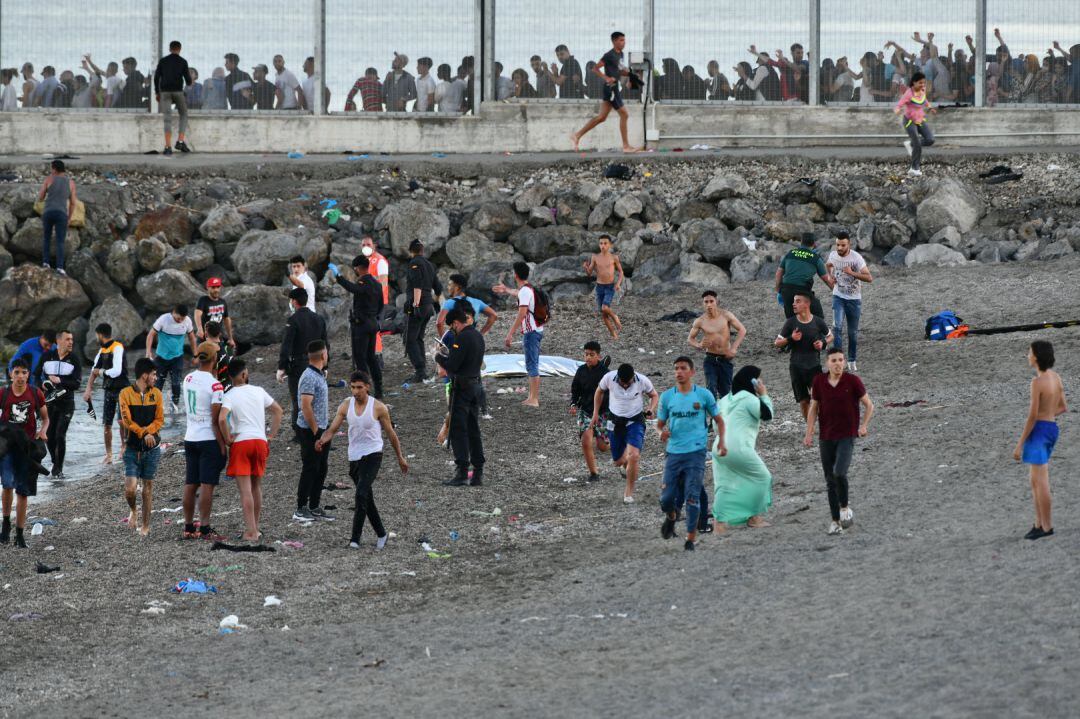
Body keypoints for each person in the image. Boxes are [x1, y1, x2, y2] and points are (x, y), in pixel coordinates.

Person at [318, 370, 408, 548]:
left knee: (360, 494)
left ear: (367, 387)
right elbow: (333, 429)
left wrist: (400, 457)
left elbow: (391, 433)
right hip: (354, 456)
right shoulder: (345, 405)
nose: (355, 391)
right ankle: (381, 534)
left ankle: (354, 539)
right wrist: (322, 440)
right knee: (366, 498)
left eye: (359, 387)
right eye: (352, 387)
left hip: (374, 454)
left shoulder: (379, 407)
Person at [657, 357, 725, 551]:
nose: (679, 372)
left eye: (683, 368)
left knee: (692, 496)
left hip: (696, 452)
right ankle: (671, 516)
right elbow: (659, 424)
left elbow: (719, 420)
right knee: (666, 500)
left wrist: (722, 442)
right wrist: (661, 432)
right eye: (676, 368)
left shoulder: (703, 395)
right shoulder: (667, 397)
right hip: (673, 453)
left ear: (692, 372)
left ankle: (690, 538)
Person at [803, 349, 874, 535]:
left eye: (841, 360)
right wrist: (809, 431)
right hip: (826, 436)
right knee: (829, 480)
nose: (838, 364)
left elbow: (869, 405)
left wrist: (864, 426)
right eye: (834, 360)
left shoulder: (853, 381)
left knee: (839, 473)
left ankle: (844, 507)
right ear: (827, 363)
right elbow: (814, 408)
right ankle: (835, 521)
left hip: (847, 435)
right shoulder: (818, 381)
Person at [219, 359, 283, 542]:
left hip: (242, 442)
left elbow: (222, 419)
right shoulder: (258, 391)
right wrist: (271, 435)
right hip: (260, 441)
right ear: (244, 374)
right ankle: (256, 527)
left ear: (231, 377)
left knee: (245, 490)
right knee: (256, 486)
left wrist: (227, 438)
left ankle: (251, 532)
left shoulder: (229, 395)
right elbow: (278, 411)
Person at [1014, 341, 1067, 540]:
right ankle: (1039, 523)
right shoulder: (1056, 377)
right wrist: (1048, 415)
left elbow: (1032, 416)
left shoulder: (1037, 383)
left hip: (1039, 431)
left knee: (1041, 482)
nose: (1028, 355)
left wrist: (1020, 444)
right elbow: (1063, 407)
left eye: (1029, 352)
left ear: (1036, 357)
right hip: (1052, 429)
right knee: (1035, 480)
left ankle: (1046, 526)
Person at [712, 366, 774, 530]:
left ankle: (719, 522)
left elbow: (714, 425)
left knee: (723, 484)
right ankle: (754, 517)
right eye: (758, 379)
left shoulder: (724, 399)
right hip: (737, 447)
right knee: (763, 478)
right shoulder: (749, 398)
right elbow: (767, 415)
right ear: (752, 381)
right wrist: (764, 394)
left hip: (718, 447)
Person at [181, 342, 227, 540]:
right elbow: (216, 421)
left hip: (190, 436)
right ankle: (206, 528)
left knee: (191, 483)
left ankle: (189, 526)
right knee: (207, 484)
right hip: (208, 438)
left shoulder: (187, 378)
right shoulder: (215, 385)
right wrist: (223, 445)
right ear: (214, 359)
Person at [435, 308, 486, 486]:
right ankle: (478, 472)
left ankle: (462, 472)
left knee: (458, 431)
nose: (453, 330)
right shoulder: (478, 336)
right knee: (473, 430)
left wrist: (439, 356)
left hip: (462, 389)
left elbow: (453, 366)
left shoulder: (462, 337)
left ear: (456, 322)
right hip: (476, 386)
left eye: (452, 326)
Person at [0, 359, 48, 548]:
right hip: (6, 448)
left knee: (23, 492)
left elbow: (45, 418)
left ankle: (20, 534)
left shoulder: (36, 393)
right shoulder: (3, 394)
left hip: (27, 450)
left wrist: (43, 431)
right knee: (7, 485)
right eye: (17, 372)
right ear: (11, 373)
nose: (20, 376)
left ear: (29, 374)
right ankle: (5, 525)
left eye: (24, 372)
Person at [594, 363, 658, 503]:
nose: (624, 385)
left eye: (627, 382)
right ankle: (626, 465)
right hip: (615, 422)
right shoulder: (609, 378)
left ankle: (628, 493)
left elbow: (654, 395)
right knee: (618, 461)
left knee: (634, 455)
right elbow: (599, 391)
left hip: (635, 421)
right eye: (622, 383)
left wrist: (651, 409)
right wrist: (595, 413)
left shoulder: (642, 380)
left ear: (632, 377)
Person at [570, 32, 640, 153]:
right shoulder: (609, 55)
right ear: (614, 42)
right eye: (621, 40)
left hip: (614, 87)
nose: (624, 43)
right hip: (610, 87)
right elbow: (595, 68)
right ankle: (626, 146)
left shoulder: (621, 54)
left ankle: (577, 135)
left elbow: (620, 70)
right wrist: (606, 78)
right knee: (624, 114)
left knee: (602, 117)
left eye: (624, 40)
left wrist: (630, 74)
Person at [118, 358, 164, 536]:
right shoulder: (125, 393)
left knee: (147, 488)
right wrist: (145, 433)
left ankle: (145, 526)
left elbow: (160, 419)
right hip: (132, 449)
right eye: (153, 374)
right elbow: (127, 420)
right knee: (130, 490)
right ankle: (133, 510)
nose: (156, 377)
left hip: (152, 450)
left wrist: (150, 432)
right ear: (144, 375)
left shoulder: (157, 394)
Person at [329, 255, 384, 397]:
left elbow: (353, 288)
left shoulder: (363, 284)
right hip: (372, 323)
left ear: (358, 268)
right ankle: (379, 388)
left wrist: (339, 277)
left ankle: (364, 389)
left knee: (360, 358)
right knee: (371, 357)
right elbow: (380, 306)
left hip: (362, 326)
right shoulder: (377, 284)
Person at [277, 288, 328, 436]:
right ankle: (317, 428)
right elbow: (325, 343)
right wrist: (326, 365)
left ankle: (299, 430)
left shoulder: (293, 321)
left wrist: (282, 367)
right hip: (318, 363)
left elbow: (286, 345)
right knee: (317, 398)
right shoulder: (319, 319)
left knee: (298, 399)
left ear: (294, 302)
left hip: (298, 365)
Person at [493, 262, 545, 407]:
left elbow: (522, 313)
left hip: (531, 332)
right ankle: (531, 397)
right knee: (531, 364)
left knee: (532, 364)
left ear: (516, 275)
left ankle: (534, 399)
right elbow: (519, 293)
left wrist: (510, 334)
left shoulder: (525, 291)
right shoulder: (528, 288)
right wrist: (506, 290)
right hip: (537, 329)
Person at [775, 293, 832, 420]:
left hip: (814, 366)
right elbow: (777, 343)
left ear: (807, 304)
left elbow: (830, 336)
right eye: (794, 301)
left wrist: (823, 343)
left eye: (798, 301)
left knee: (817, 397)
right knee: (803, 400)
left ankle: (821, 421)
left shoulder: (818, 321)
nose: (794, 304)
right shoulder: (790, 322)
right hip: (796, 367)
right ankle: (809, 426)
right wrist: (791, 338)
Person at [295, 340, 333, 521]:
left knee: (321, 468)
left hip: (322, 429)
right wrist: (317, 432)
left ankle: (314, 505)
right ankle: (301, 507)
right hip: (311, 431)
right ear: (323, 355)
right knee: (310, 467)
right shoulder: (309, 376)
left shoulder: (318, 375)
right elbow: (305, 407)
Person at [35, 329, 80, 479]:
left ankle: (58, 469)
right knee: (49, 435)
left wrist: (60, 381)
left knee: (60, 435)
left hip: (67, 403)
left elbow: (77, 383)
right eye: (67, 339)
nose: (71, 342)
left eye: (72, 339)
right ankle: (55, 462)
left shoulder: (74, 359)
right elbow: (35, 375)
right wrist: (41, 385)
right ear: (58, 341)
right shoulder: (47, 356)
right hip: (49, 402)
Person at [83, 323, 130, 465]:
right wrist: (88, 389)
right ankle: (109, 455)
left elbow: (117, 371)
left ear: (100, 334)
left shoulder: (117, 347)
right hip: (109, 390)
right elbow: (94, 370)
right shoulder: (102, 350)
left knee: (123, 421)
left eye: (96, 335)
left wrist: (102, 372)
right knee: (107, 424)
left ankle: (124, 447)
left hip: (122, 389)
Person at [826, 231, 872, 372]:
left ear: (849, 245)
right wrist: (830, 277)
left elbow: (869, 278)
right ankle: (839, 361)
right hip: (838, 296)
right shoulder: (833, 255)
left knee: (852, 333)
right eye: (838, 245)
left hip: (854, 299)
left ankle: (852, 360)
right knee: (837, 328)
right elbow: (828, 265)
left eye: (843, 245)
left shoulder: (856, 258)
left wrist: (851, 272)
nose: (839, 248)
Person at [688, 290, 747, 399]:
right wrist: (699, 345)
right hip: (710, 359)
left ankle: (724, 414)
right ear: (703, 303)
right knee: (711, 388)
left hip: (725, 359)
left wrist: (734, 348)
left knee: (725, 392)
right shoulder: (700, 321)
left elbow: (742, 330)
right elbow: (690, 339)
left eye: (711, 301)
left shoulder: (726, 315)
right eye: (706, 302)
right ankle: (713, 415)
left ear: (716, 301)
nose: (709, 305)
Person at [570, 341, 611, 482]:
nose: (588, 357)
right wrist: (573, 403)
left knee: (603, 447)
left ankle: (612, 442)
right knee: (586, 440)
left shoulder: (606, 374)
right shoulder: (580, 371)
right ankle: (594, 473)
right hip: (586, 411)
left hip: (603, 412)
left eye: (591, 355)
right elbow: (575, 390)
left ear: (598, 356)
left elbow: (612, 394)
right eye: (586, 354)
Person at [403, 240, 443, 383]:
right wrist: (436, 303)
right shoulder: (430, 265)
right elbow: (438, 288)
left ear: (411, 251)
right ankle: (422, 369)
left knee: (409, 340)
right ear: (422, 250)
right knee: (418, 337)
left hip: (418, 306)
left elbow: (417, 284)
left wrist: (415, 304)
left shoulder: (414, 263)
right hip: (428, 306)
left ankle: (420, 371)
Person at [147, 304, 197, 413]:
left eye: (182, 319)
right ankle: (152, 408)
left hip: (177, 358)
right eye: (178, 318)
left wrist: (195, 355)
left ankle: (175, 408)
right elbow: (151, 335)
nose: (180, 321)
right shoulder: (163, 319)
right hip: (161, 358)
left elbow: (192, 338)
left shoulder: (187, 321)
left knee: (176, 383)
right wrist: (148, 352)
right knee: (157, 383)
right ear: (173, 312)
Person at [775, 232, 833, 319]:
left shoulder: (790, 253)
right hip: (802, 290)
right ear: (814, 244)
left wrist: (778, 289)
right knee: (818, 314)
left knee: (791, 319)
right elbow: (826, 279)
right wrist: (835, 291)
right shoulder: (815, 258)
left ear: (801, 242)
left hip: (786, 289)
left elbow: (779, 273)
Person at [38, 159, 76, 274]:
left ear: (54, 169)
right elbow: (73, 202)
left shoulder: (49, 179)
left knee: (46, 238)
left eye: (51, 168)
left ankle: (46, 263)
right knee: (60, 241)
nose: (51, 170)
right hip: (61, 214)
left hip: (48, 212)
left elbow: (40, 197)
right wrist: (69, 218)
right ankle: (60, 267)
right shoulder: (71, 183)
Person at [894, 71, 936, 177]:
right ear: (914, 83)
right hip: (909, 121)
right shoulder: (908, 93)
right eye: (920, 83)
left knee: (930, 139)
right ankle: (914, 168)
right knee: (917, 144)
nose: (923, 85)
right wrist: (897, 110)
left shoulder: (922, 90)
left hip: (920, 120)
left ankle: (910, 144)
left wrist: (930, 107)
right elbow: (899, 104)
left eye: (924, 83)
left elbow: (924, 100)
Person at [583, 234, 624, 340]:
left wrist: (618, 283)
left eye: (605, 243)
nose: (603, 246)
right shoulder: (595, 257)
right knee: (604, 314)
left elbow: (620, 272)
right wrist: (586, 268)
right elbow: (589, 273)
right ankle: (613, 333)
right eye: (601, 243)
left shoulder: (614, 257)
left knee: (605, 308)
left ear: (610, 245)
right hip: (599, 287)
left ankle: (615, 317)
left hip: (610, 287)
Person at [154, 41, 191, 156]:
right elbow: (188, 81)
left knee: (167, 119)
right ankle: (180, 141)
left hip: (165, 93)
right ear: (180, 49)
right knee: (184, 114)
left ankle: (168, 147)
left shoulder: (163, 61)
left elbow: (156, 78)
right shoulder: (183, 62)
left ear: (170, 49)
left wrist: (157, 92)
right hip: (178, 91)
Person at [359, 236, 391, 358]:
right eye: (363, 245)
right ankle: (370, 355)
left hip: (378, 302)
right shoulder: (365, 262)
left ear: (374, 245)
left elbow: (383, 283)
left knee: (375, 329)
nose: (366, 247)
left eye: (368, 244)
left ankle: (377, 356)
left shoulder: (380, 261)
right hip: (367, 302)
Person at [195, 276, 235, 345]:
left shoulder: (222, 302)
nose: (216, 290)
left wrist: (230, 338)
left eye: (218, 287)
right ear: (208, 288)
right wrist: (199, 329)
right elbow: (197, 314)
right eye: (213, 287)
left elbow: (227, 319)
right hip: (204, 338)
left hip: (218, 338)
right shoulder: (203, 300)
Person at [204, 321, 234, 391]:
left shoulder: (208, 351)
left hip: (218, 390)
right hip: (231, 387)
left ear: (206, 334)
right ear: (220, 334)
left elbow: (211, 376)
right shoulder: (228, 349)